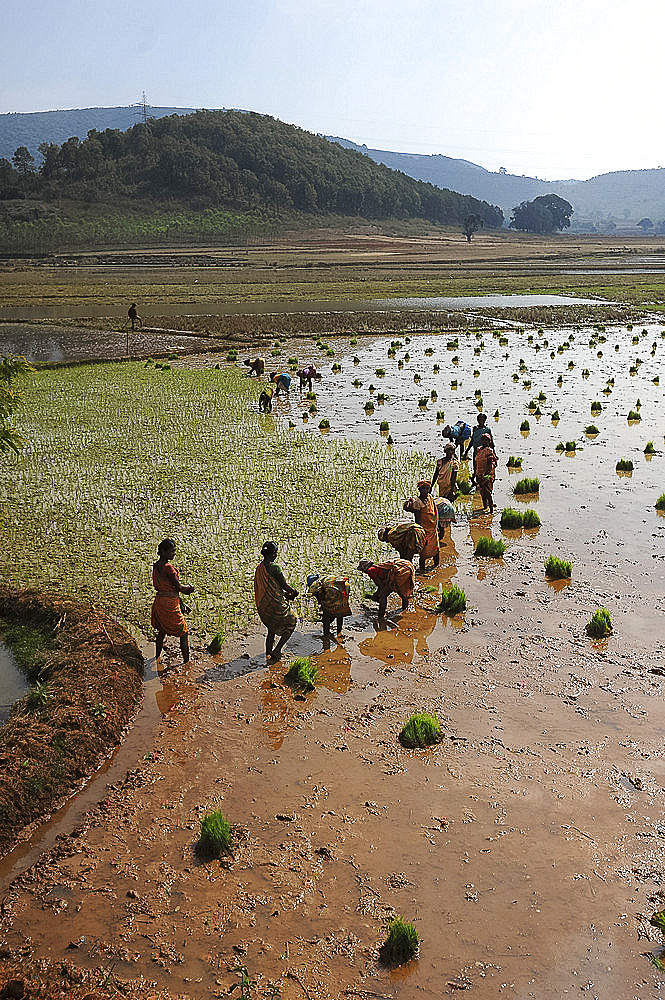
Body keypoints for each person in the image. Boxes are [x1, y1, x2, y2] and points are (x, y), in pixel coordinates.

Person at [151, 538, 194, 664]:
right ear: (163, 552)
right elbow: (179, 587)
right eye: (171, 552)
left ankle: (156, 657)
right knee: (183, 631)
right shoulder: (168, 568)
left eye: (174, 551)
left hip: (160, 602)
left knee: (162, 630)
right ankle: (187, 662)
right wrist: (189, 589)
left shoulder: (157, 566)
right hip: (169, 604)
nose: (173, 554)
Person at [254, 540, 298, 662]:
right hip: (276, 604)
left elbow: (269, 588)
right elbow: (284, 585)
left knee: (271, 629)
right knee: (292, 621)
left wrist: (284, 594)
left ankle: (268, 654)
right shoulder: (275, 568)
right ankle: (277, 650)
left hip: (265, 605)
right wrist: (294, 592)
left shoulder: (259, 568)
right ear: (273, 554)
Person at [403, 480, 440, 570]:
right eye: (423, 488)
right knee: (424, 553)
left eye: (427, 488)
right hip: (424, 529)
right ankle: (422, 570)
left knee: (436, 550)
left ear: (429, 489)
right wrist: (407, 505)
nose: (425, 490)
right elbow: (415, 514)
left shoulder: (430, 498)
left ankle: (437, 567)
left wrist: (437, 525)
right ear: (419, 489)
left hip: (432, 529)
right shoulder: (418, 502)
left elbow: (435, 512)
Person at [307, 572, 351, 638]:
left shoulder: (315, 585)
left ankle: (326, 636)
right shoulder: (326, 579)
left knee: (326, 617)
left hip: (333, 593)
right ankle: (339, 633)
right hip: (343, 590)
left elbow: (310, 594)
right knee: (340, 613)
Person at [467, 413, 496, 481]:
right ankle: (477, 481)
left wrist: (494, 453)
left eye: (483, 419)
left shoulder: (487, 429)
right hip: (477, 451)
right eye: (480, 419)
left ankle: (483, 482)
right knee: (476, 467)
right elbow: (472, 440)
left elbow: (491, 441)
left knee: (485, 467)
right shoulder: (475, 429)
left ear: (485, 420)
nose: (481, 420)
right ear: (477, 420)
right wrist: (466, 451)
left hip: (485, 452)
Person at [475, 433, 498, 513]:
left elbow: (489, 464)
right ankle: (485, 507)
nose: (484, 442)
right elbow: (476, 463)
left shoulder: (489, 451)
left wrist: (485, 475)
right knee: (482, 492)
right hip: (479, 473)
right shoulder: (479, 450)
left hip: (487, 474)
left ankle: (491, 510)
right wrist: (475, 474)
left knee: (487, 492)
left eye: (486, 440)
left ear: (489, 442)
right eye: (483, 440)